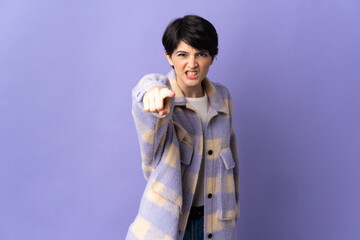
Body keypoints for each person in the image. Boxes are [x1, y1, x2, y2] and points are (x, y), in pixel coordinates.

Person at [126, 15, 239, 240]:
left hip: (215, 223)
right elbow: (147, 89)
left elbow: (232, 161)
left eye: (201, 54)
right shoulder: (164, 98)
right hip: (170, 224)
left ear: (212, 58)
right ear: (168, 57)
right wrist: (151, 93)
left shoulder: (223, 98)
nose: (192, 64)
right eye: (182, 54)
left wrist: (232, 212)